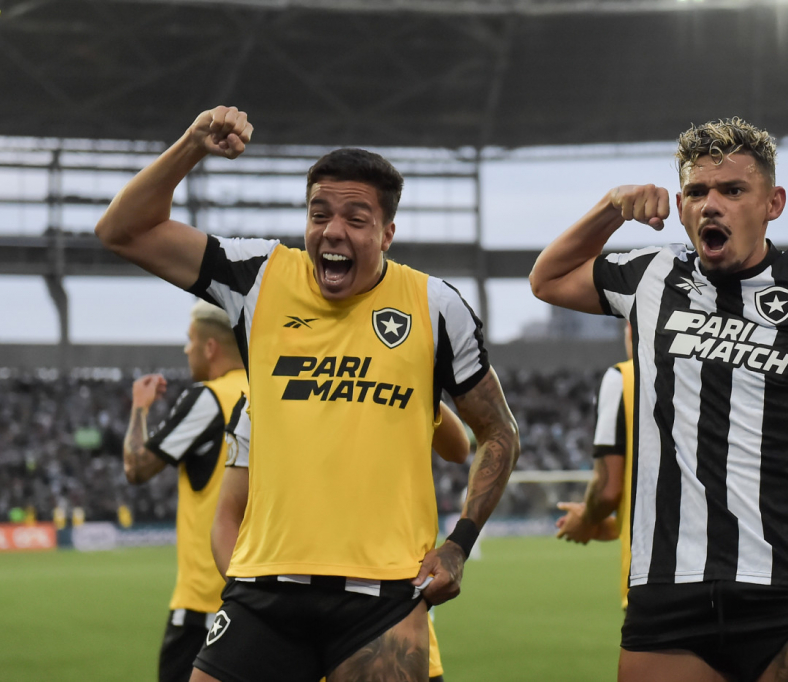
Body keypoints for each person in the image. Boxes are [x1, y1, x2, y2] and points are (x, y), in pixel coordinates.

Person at [96, 105, 519, 682]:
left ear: (387, 234)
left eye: (356, 218)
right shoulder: (260, 276)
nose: (332, 231)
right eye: (319, 214)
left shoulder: (436, 307)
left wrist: (460, 544)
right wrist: (192, 145)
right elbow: (121, 230)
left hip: (381, 596)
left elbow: (497, 433)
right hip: (263, 589)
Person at [530, 117, 788, 682]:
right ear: (680, 205)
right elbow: (546, 280)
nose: (711, 205)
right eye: (697, 192)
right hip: (667, 594)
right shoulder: (653, 275)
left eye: (733, 190)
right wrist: (610, 207)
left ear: (773, 203)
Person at [220, 395, 469, 682]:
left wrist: (417, 382)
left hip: (386, 623)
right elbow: (226, 518)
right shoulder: (258, 395)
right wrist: (250, 600)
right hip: (285, 618)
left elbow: (459, 448)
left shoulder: (394, 380)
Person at [121, 300, 248, 682]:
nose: (186, 348)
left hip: (205, 604)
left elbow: (136, 467)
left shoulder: (209, 398)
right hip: (261, 597)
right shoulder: (269, 391)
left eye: (190, 340)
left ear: (210, 347)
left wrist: (140, 408)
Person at [555, 321, 635, 609]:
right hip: (750, 574)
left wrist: (587, 519)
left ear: (632, 328)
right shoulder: (735, 374)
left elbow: (608, 492)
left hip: (659, 581)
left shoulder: (624, 377)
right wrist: (615, 527)